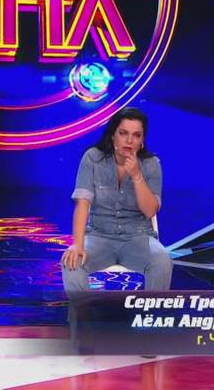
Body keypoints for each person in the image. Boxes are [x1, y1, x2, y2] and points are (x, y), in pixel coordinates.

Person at [61, 107, 172, 297]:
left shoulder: (151, 164)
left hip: (138, 237)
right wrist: (77, 245)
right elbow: (82, 204)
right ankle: (85, 313)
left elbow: (150, 211)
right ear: (113, 135)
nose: (129, 141)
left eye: (136, 135)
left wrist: (136, 175)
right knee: (71, 263)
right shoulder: (93, 158)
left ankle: (151, 314)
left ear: (142, 140)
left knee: (162, 261)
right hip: (99, 236)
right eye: (123, 133)